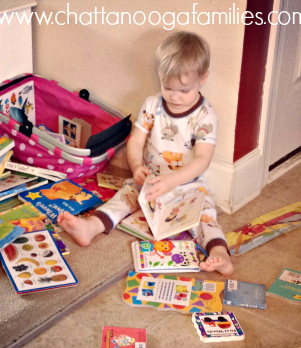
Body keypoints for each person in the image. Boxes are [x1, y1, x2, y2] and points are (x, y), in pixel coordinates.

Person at [58, 31, 234, 276]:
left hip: (187, 186)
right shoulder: (152, 104)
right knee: (124, 197)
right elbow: (136, 140)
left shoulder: (205, 116)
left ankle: (219, 253)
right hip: (149, 182)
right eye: (168, 87)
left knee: (205, 214)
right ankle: (90, 226)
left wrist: (171, 182)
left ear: (203, 78)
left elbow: (203, 159)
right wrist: (136, 166)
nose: (174, 96)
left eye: (184, 90)